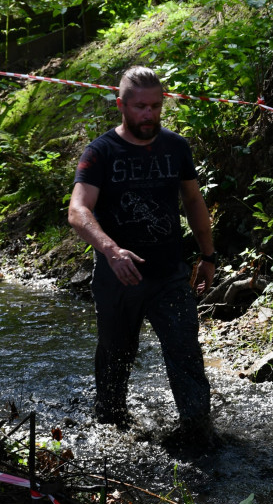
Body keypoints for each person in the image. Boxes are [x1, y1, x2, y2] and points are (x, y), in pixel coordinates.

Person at [68, 65, 218, 450]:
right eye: (139, 107)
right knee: (116, 355)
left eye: (155, 106)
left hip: (170, 272)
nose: (148, 115)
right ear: (121, 105)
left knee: (185, 351)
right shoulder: (100, 152)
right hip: (118, 275)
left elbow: (194, 200)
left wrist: (208, 255)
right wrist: (111, 250)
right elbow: (78, 211)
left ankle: (198, 432)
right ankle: (111, 428)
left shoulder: (176, 147)